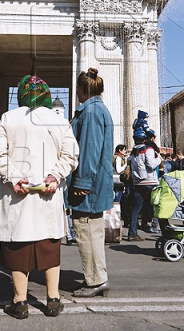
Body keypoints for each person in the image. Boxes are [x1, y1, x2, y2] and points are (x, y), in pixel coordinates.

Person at [0, 75, 79, 319]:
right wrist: (54, 175)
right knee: (49, 244)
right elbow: (71, 154)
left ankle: (19, 302)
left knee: (18, 245)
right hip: (48, 195)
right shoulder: (58, 120)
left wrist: (14, 177)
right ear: (47, 96)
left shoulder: (9, 118)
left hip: (17, 195)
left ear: (21, 95)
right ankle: (53, 299)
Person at [67, 68, 114, 298]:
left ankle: (94, 280)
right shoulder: (96, 109)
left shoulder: (92, 112)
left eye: (76, 88)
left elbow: (89, 150)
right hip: (95, 184)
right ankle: (99, 278)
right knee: (92, 231)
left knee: (85, 231)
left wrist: (82, 182)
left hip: (89, 186)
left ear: (82, 89)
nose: (75, 92)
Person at [127, 128, 162, 241]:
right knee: (159, 205)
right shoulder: (148, 149)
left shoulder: (134, 151)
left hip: (138, 182)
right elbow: (151, 165)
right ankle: (165, 231)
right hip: (150, 181)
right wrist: (159, 159)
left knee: (135, 208)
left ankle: (132, 233)